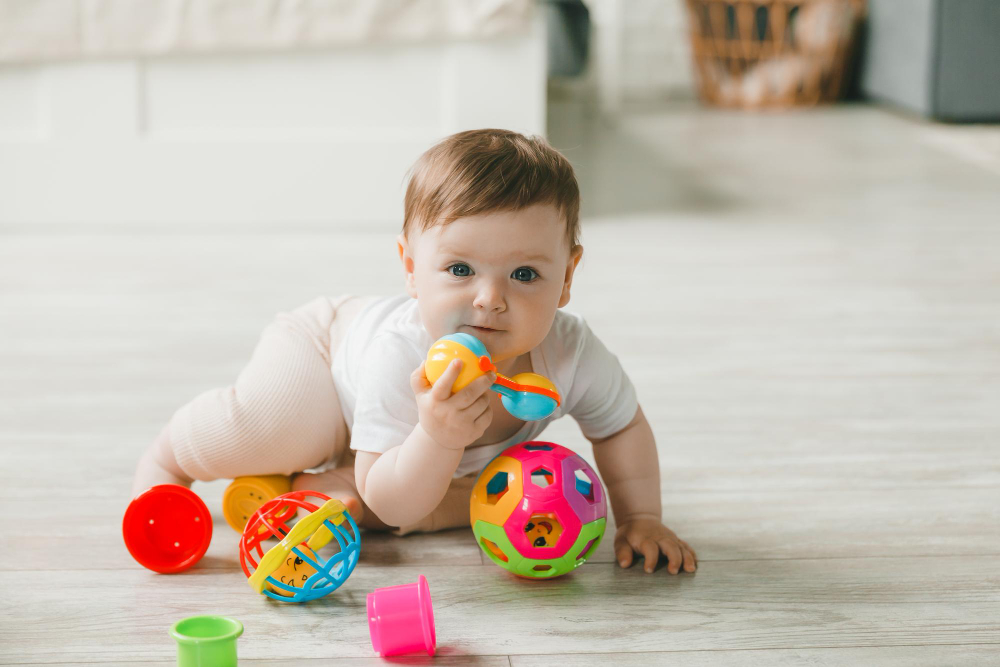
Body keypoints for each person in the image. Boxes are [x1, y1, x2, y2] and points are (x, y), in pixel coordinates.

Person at [132, 129, 696, 575]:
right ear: (410, 267)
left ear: (567, 278)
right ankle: (173, 456)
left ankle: (328, 486)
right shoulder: (400, 352)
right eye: (459, 270)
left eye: (525, 274)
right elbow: (400, 504)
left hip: (397, 459)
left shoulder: (572, 350)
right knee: (273, 431)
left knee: (453, 503)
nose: (489, 299)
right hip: (326, 362)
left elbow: (620, 427)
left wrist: (642, 518)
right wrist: (436, 436)